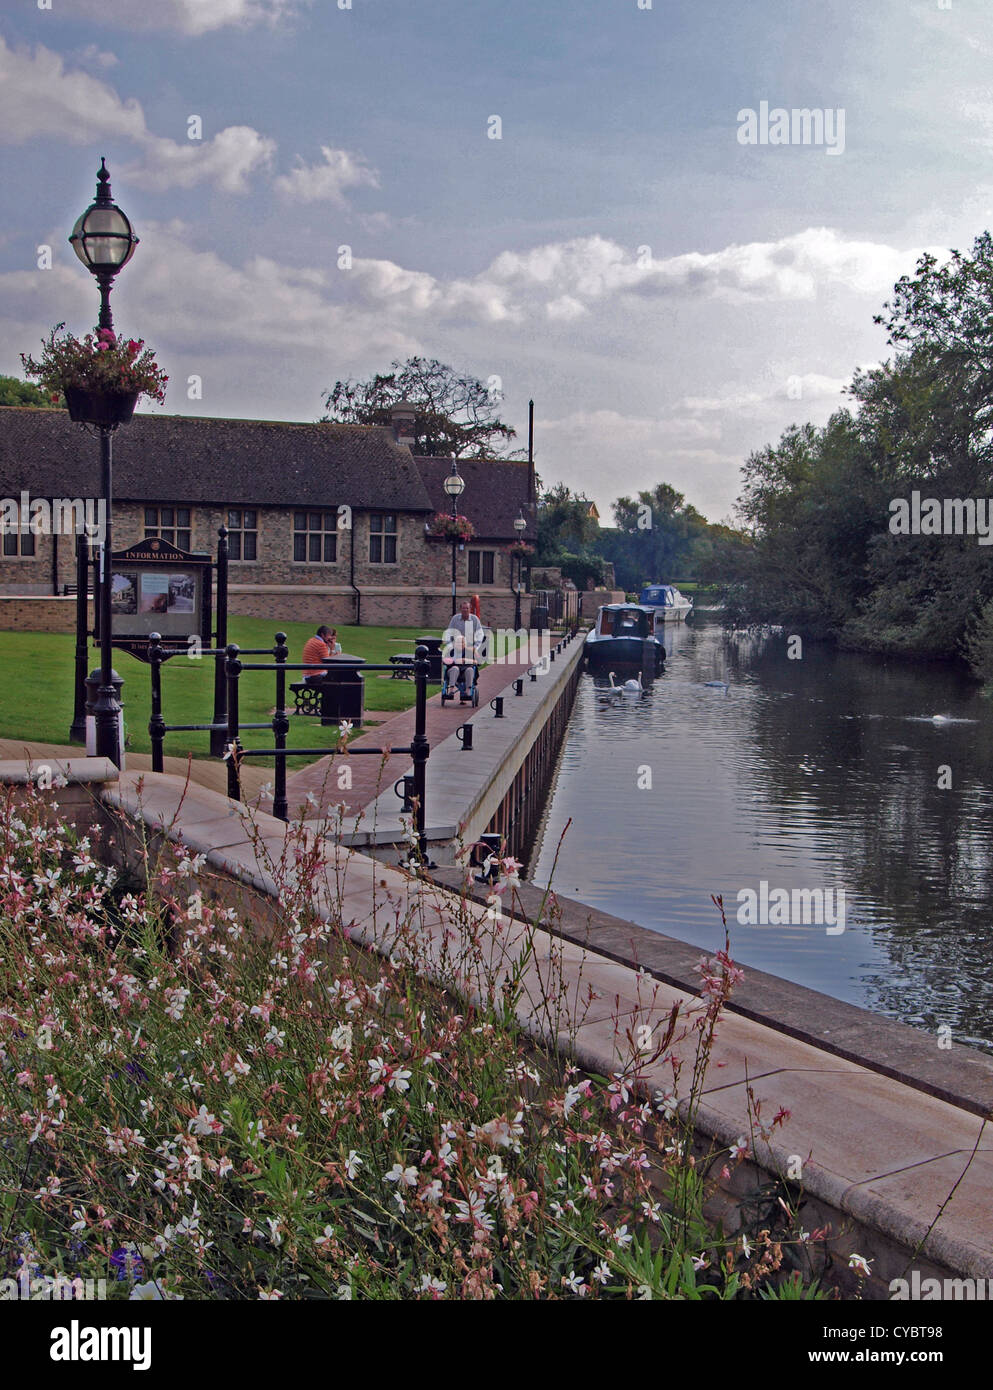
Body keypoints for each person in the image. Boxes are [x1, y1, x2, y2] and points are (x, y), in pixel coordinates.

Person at [443, 599, 484, 699]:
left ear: (470, 609)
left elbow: (480, 635)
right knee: (455, 668)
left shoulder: (474, 620)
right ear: (460, 609)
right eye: (463, 608)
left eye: (467, 608)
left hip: (470, 647)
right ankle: (452, 690)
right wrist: (450, 646)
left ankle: (468, 691)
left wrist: (474, 648)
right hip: (455, 654)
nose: (465, 610)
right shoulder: (455, 619)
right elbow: (449, 633)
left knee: (470, 669)